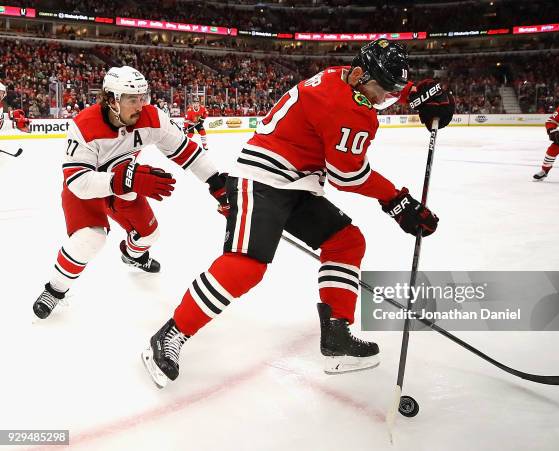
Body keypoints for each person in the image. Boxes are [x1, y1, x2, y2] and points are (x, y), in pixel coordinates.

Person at [142, 39, 454, 388]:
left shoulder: (345, 78)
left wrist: (417, 91)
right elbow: (348, 176)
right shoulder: (348, 109)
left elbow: (377, 95)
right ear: (359, 75)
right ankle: (170, 335)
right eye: (383, 88)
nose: (385, 98)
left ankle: (337, 335)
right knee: (246, 265)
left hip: (297, 183)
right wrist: (397, 202)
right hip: (261, 178)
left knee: (346, 242)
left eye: (392, 89)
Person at [32, 66, 229, 320]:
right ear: (112, 99)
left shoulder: (152, 117)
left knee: (150, 234)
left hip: (126, 184)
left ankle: (132, 255)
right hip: (88, 191)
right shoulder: (84, 125)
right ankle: (55, 289)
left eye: (142, 97)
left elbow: (186, 151)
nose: (140, 105)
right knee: (90, 240)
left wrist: (216, 182)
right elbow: (77, 181)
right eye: (132, 99)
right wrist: (125, 180)